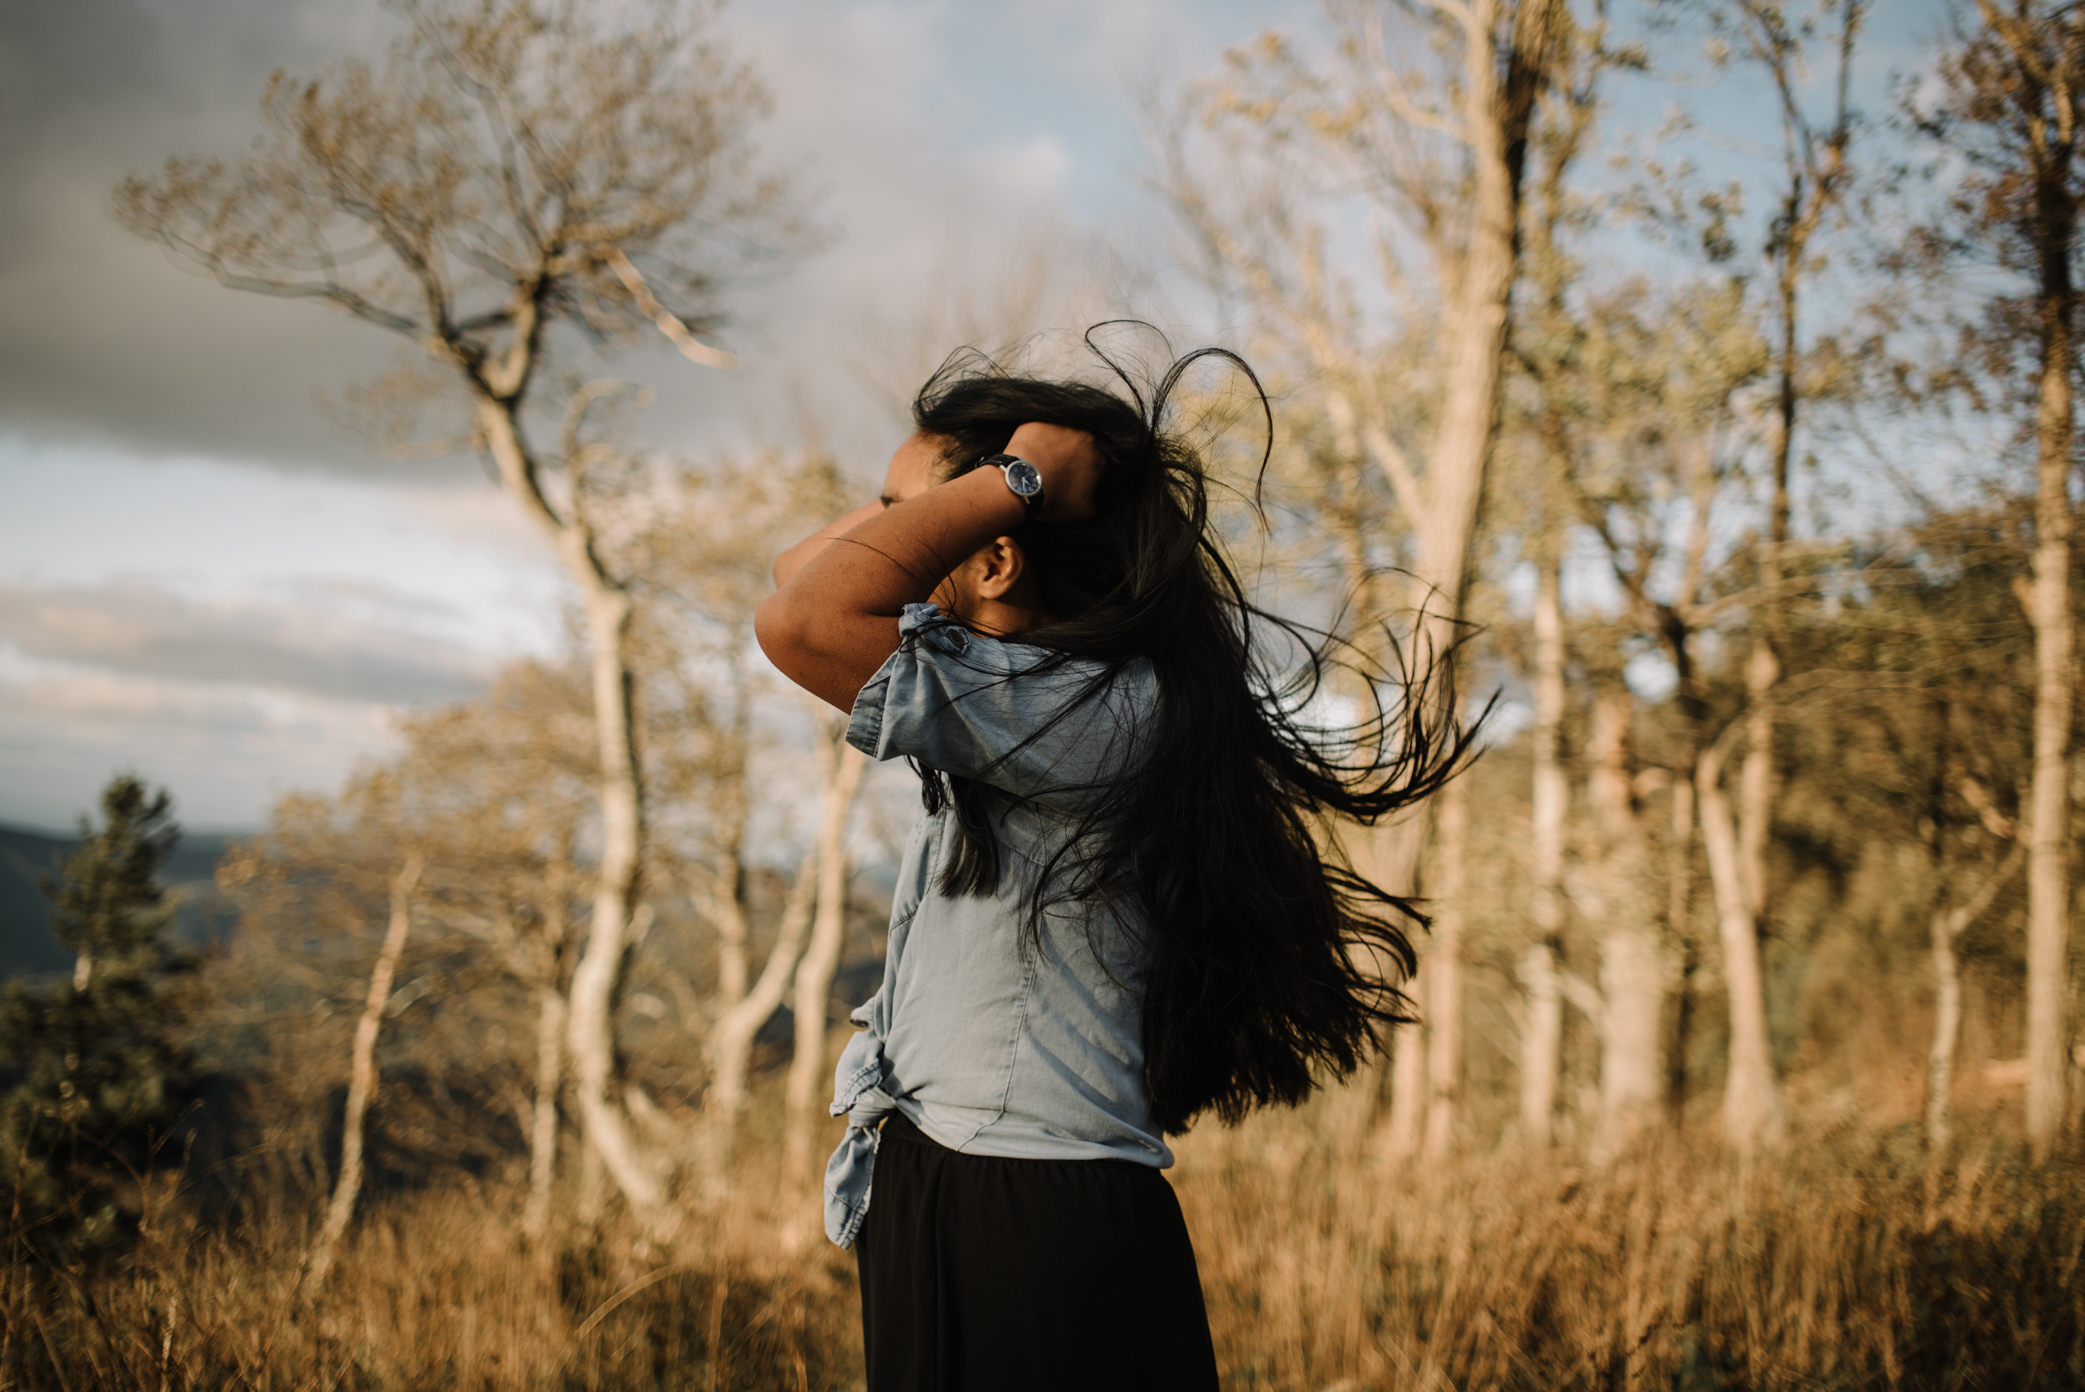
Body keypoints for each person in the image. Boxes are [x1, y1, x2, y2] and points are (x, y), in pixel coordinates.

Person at [755, 337, 1465, 1392]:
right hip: (961, 1185)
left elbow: (802, 614)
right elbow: (804, 575)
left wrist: (1018, 479)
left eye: (916, 513)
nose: (895, 537)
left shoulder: (1092, 712)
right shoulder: (1040, 691)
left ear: (999, 554)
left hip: (1029, 1222)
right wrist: (999, 488)